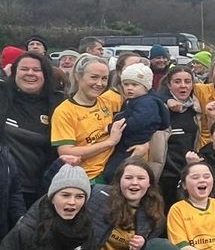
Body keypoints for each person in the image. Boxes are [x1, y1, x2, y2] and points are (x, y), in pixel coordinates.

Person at [0, 52, 64, 205]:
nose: (30, 73)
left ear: (46, 74)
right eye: (24, 69)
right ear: (14, 72)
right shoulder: (2, 95)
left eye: (36, 70)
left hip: (42, 189)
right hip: (5, 187)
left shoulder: (59, 103)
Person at [51, 54, 126, 182]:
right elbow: (66, 152)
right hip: (88, 178)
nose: (100, 83)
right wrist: (109, 142)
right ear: (78, 76)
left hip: (116, 171)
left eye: (104, 78)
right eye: (94, 77)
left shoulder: (108, 101)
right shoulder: (64, 111)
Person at [102, 63, 170, 183]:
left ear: (146, 86)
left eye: (134, 84)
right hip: (130, 143)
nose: (129, 88)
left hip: (132, 144)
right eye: (126, 84)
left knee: (113, 173)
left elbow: (138, 122)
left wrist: (113, 127)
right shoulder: (135, 101)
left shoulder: (147, 103)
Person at [157, 66, 200, 209]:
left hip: (191, 172)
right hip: (166, 175)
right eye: (177, 81)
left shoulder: (197, 108)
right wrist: (165, 99)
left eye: (187, 81)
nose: (183, 85)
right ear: (169, 85)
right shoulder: (161, 108)